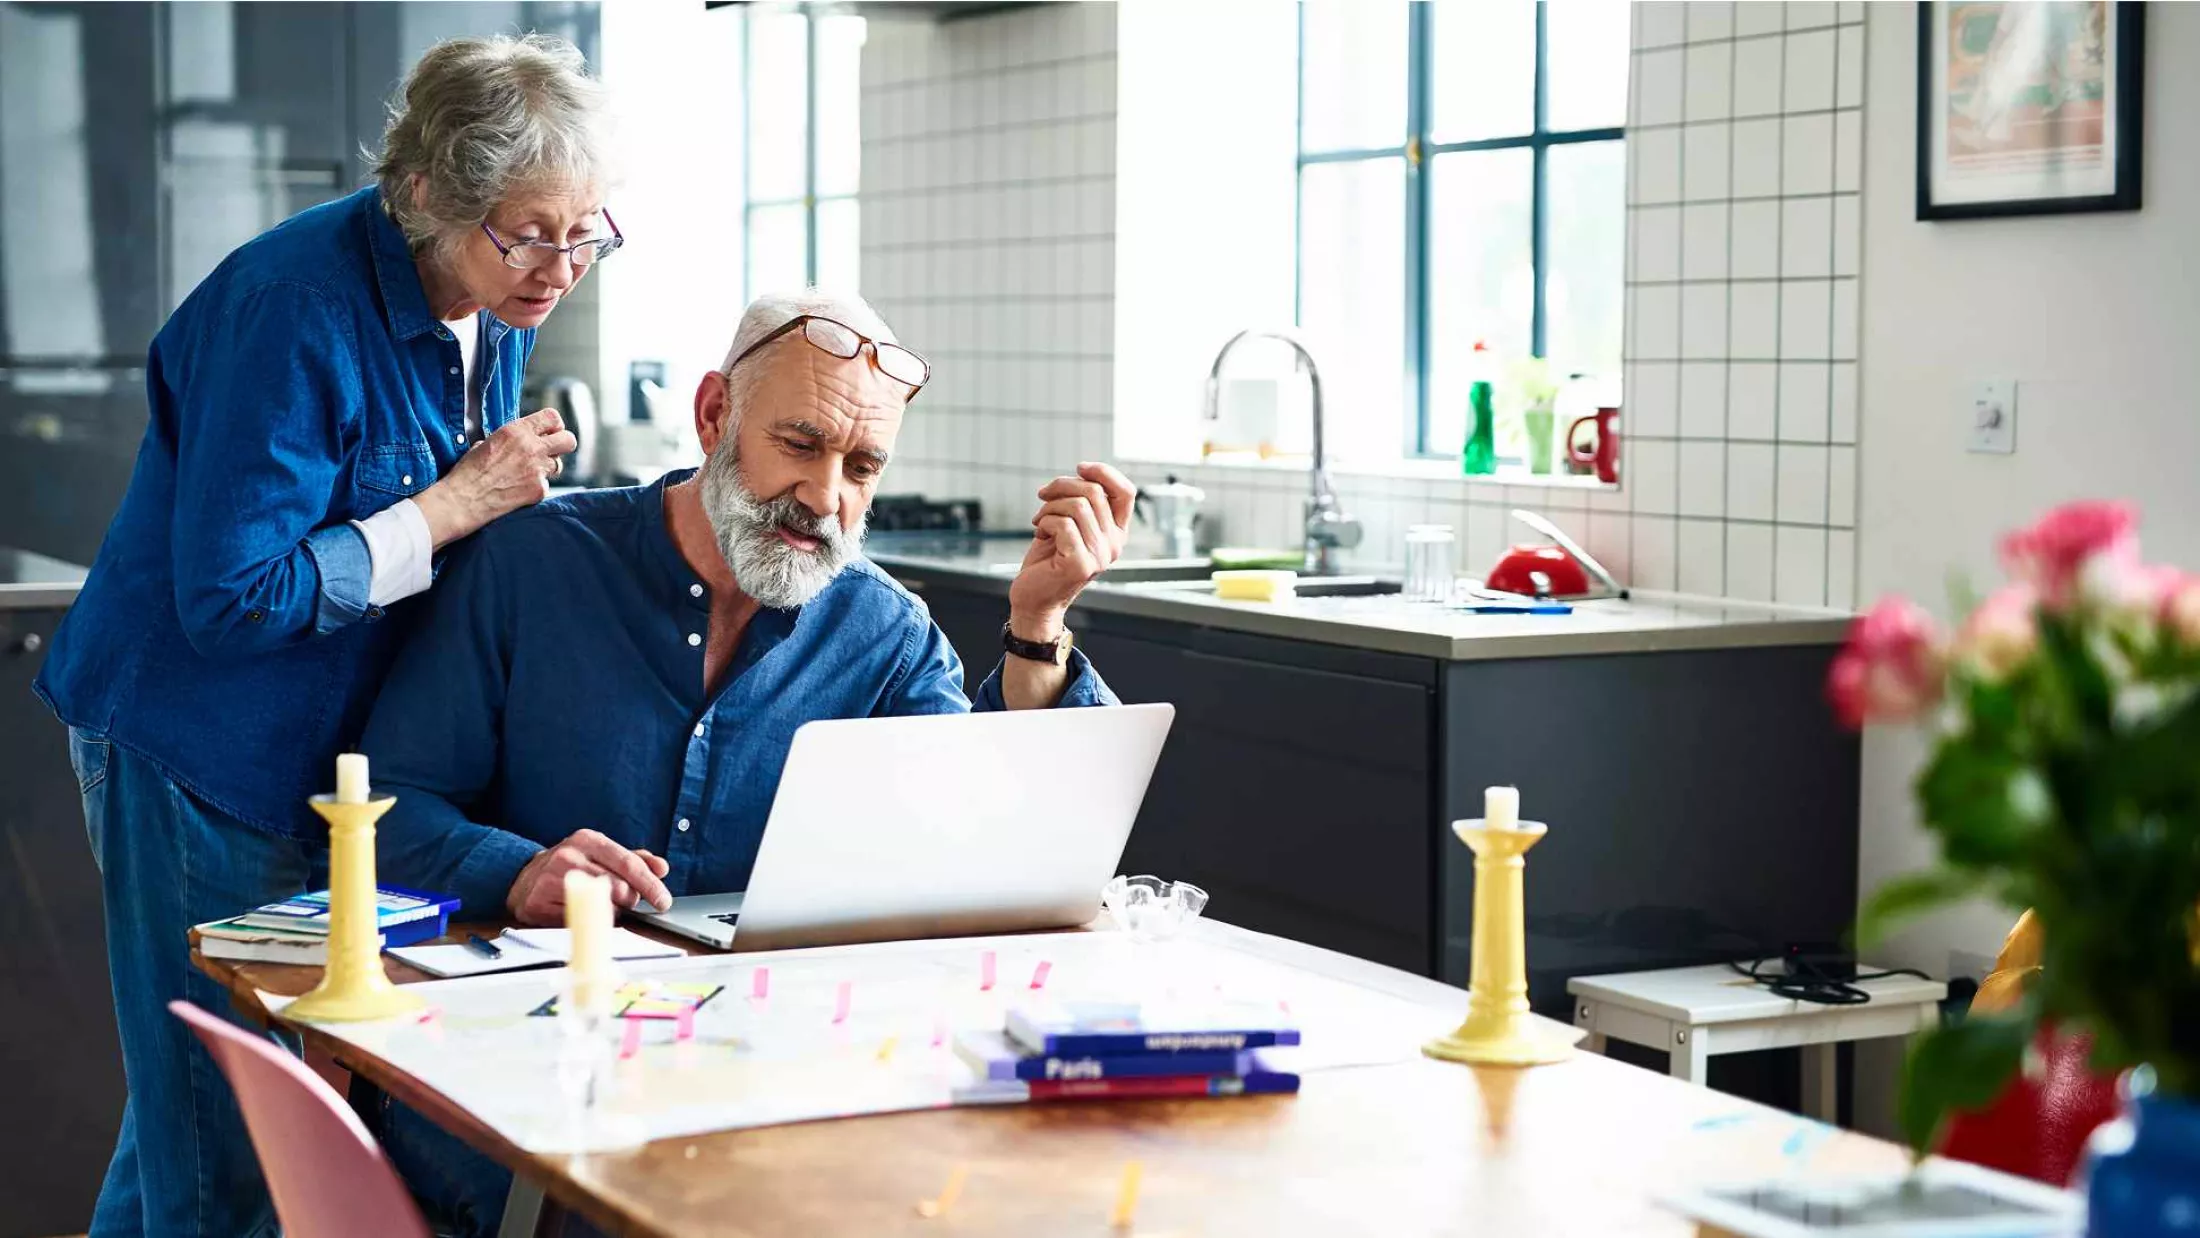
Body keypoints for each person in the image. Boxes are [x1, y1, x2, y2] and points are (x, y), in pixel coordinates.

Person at [353, 290, 1130, 1230]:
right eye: (800, 444)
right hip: (526, 1090)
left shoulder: (885, 633)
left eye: (862, 466)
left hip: (775, 1087)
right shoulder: (530, 564)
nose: (826, 496)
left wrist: (1038, 622)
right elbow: (384, 808)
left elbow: (993, 855)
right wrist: (516, 871)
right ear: (715, 413)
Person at [34, 34, 616, 1237]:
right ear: (427, 194)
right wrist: (453, 503)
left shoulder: (496, 297)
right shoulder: (293, 308)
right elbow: (234, 596)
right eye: (528, 233)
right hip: (198, 747)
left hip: (316, 755)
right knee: (221, 1132)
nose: (561, 269)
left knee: (192, 1119)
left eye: (586, 233)